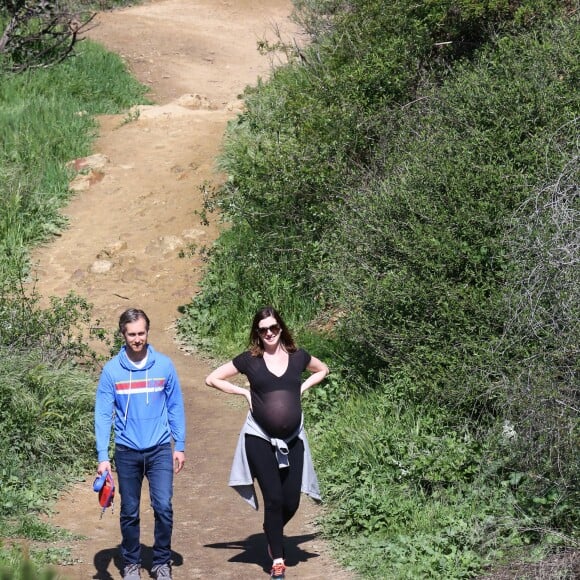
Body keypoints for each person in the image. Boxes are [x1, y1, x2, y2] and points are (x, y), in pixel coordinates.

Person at [205, 306, 329, 580]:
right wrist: (243, 392)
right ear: (257, 333)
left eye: (273, 327)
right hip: (259, 438)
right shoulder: (250, 360)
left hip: (293, 438)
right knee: (273, 498)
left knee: (292, 501)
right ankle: (278, 560)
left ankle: (271, 530)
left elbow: (323, 369)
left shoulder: (298, 358)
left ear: (281, 328)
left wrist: (302, 387)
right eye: (263, 330)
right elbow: (211, 378)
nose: (269, 333)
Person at [95, 308, 186, 580]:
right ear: (123, 334)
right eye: (132, 334)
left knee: (163, 508)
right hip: (126, 451)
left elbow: (175, 406)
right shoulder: (112, 371)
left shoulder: (164, 366)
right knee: (129, 511)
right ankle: (131, 564)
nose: (137, 339)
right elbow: (102, 414)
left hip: (159, 449)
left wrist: (179, 444)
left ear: (148, 332)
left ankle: (161, 563)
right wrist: (103, 456)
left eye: (142, 333)